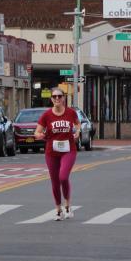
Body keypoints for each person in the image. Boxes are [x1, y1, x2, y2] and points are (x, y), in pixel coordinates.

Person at [34, 88, 80, 221]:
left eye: (59, 96)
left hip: (68, 150)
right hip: (51, 152)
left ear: (63, 98)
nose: (57, 99)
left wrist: (77, 132)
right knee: (55, 182)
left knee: (63, 177)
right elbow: (37, 132)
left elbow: (78, 124)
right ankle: (59, 210)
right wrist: (39, 135)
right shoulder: (46, 115)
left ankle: (68, 205)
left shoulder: (71, 112)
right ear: (51, 99)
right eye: (54, 97)